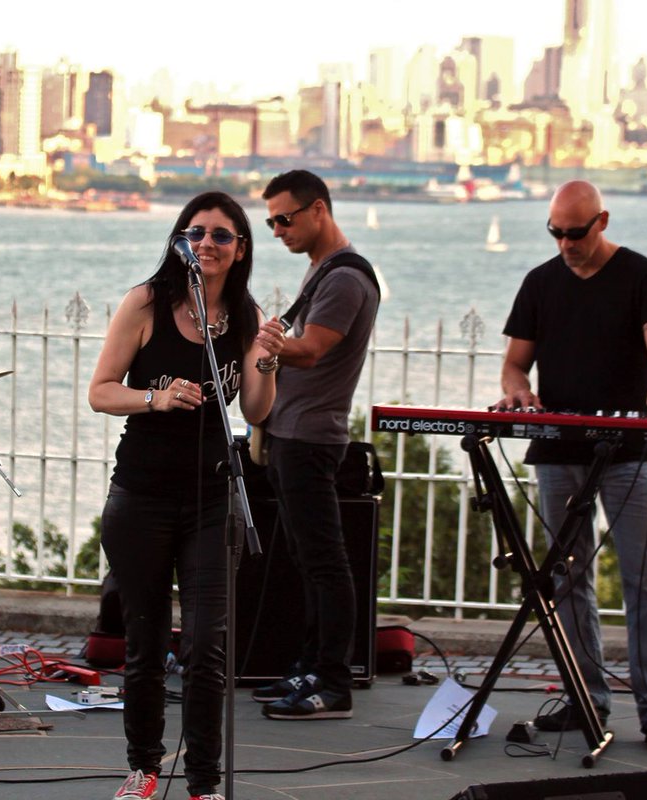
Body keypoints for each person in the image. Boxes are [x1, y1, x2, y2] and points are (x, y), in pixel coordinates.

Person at [89, 191, 282, 800]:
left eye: (220, 236)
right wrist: (155, 397)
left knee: (207, 646)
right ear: (178, 241)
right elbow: (99, 391)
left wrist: (266, 362)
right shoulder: (145, 303)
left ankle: (203, 783)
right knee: (146, 644)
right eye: (194, 233)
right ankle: (144, 769)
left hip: (210, 498)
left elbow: (253, 410)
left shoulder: (246, 315)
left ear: (239, 249)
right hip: (141, 495)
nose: (205, 244)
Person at [498, 180, 647, 751]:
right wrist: (517, 391)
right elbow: (513, 363)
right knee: (566, 576)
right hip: (558, 449)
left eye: (575, 232)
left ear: (601, 222)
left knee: (645, 577)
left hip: (627, 450)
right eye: (554, 232)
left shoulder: (641, 275)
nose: (565, 243)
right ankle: (586, 699)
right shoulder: (539, 282)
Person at [252, 170, 380, 721]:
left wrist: (262, 343)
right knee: (307, 562)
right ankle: (311, 667)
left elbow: (312, 351)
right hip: (291, 434)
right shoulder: (321, 272)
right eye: (271, 221)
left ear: (319, 210)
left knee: (326, 564)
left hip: (310, 438)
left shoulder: (346, 279)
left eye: (286, 218)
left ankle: (333, 683)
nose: (278, 230)